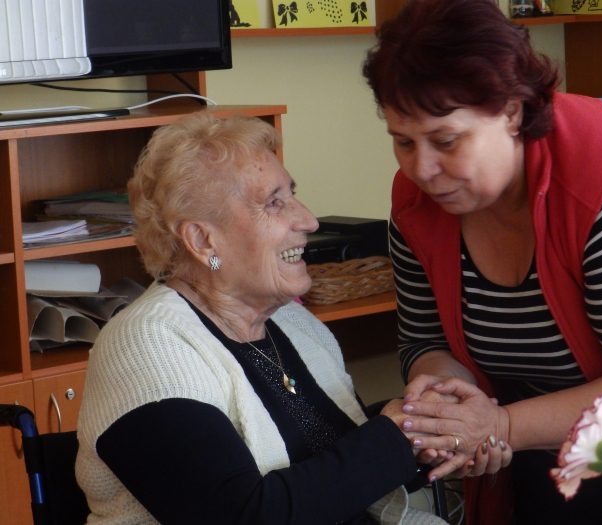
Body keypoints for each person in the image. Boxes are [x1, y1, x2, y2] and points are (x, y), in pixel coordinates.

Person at [362, 0, 602, 524]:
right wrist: (444, 405)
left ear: (513, 112)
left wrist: (499, 425)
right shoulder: (417, 201)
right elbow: (424, 339)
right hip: (537, 457)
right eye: (403, 142)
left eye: (446, 141)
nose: (422, 169)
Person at [75, 111, 451, 524]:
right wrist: (394, 440)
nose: (308, 220)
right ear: (202, 240)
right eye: (274, 202)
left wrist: (426, 431)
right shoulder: (146, 346)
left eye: (292, 194)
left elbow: (331, 459)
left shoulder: (295, 325)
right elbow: (241, 517)